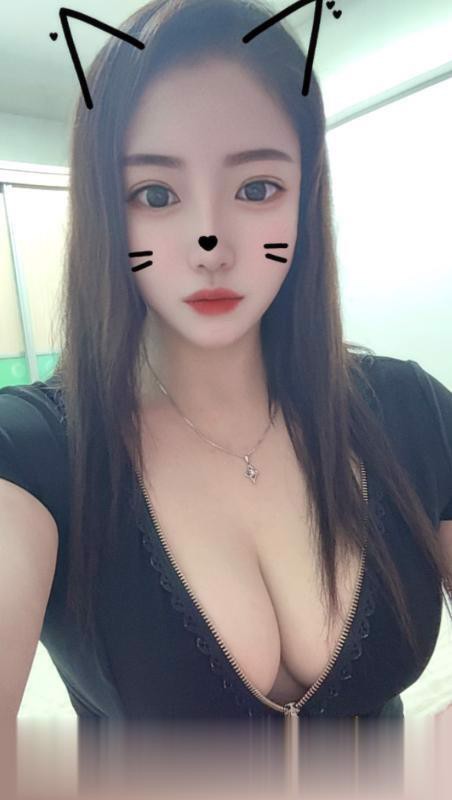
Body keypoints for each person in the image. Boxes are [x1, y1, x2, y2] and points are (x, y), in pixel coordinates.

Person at [1, 0, 451, 796]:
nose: (211, 243)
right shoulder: (34, 451)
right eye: (156, 195)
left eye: (257, 187)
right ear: (105, 209)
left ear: (306, 194)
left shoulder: (407, 408)